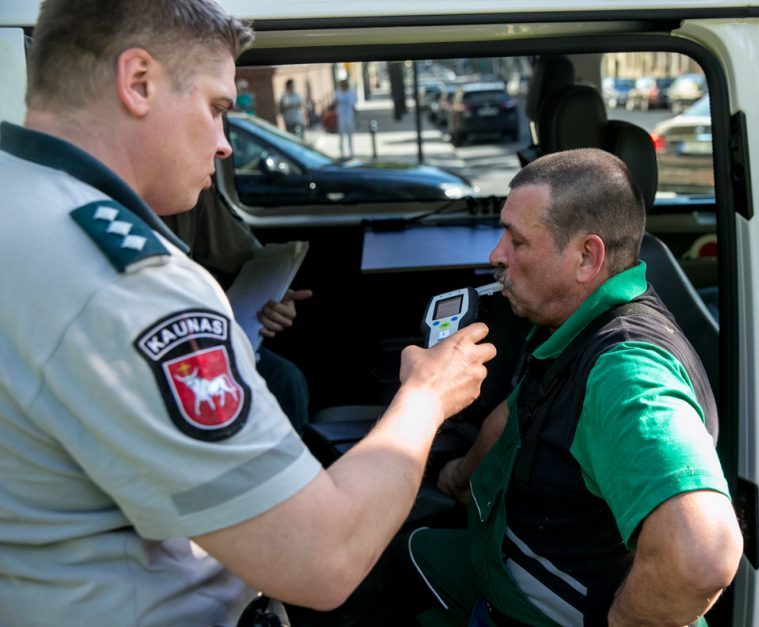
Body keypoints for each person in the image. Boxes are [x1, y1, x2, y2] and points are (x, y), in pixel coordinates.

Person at [0, 2, 496, 626]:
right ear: (139, 82)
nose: (225, 143)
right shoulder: (134, 289)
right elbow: (323, 559)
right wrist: (426, 397)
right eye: (216, 107)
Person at [342, 148, 742, 626]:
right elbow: (513, 417)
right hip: (505, 556)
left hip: (540, 609)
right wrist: (459, 477)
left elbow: (701, 555)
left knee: (354, 582)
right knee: (398, 558)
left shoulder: (627, 374)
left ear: (586, 258)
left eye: (516, 240)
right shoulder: (573, 322)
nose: (496, 255)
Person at [162, 187, 314, 433]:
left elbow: (248, 259)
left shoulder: (196, 191)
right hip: (165, 344)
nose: (223, 150)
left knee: (285, 378)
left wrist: (275, 295)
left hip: (206, 334)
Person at [335, 78, 357, 159]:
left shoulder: (350, 93)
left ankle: (351, 152)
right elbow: (336, 103)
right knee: (341, 134)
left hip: (349, 115)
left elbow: (353, 105)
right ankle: (341, 152)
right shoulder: (338, 93)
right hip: (341, 116)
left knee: (350, 134)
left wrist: (357, 117)